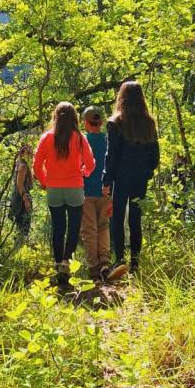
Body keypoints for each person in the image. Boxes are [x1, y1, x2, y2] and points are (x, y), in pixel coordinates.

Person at [102, 81, 160, 280]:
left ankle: (119, 260)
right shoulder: (148, 123)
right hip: (140, 178)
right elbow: (155, 156)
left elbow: (111, 155)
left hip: (120, 177)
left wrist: (106, 179)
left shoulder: (115, 123)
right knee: (136, 219)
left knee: (117, 218)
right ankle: (135, 262)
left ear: (121, 97)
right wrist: (147, 172)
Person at [33, 102, 95, 285]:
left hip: (53, 189)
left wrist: (45, 182)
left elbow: (36, 165)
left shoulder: (47, 137)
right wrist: (84, 173)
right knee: (74, 228)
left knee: (58, 227)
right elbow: (90, 163)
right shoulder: (79, 138)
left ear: (55, 117)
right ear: (74, 118)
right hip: (75, 188)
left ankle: (58, 262)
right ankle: (66, 263)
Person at [80, 106, 111, 281]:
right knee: (104, 226)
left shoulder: (81, 140)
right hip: (105, 191)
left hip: (85, 192)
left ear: (85, 123)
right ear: (101, 123)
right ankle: (105, 262)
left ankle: (93, 267)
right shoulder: (108, 140)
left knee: (89, 229)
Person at [8, 144, 33, 240]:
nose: (30, 155)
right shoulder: (22, 166)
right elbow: (19, 184)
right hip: (21, 197)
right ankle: (20, 244)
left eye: (31, 153)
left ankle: (20, 244)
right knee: (23, 223)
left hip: (18, 196)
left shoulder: (19, 163)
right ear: (22, 154)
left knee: (20, 223)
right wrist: (26, 200)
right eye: (28, 152)